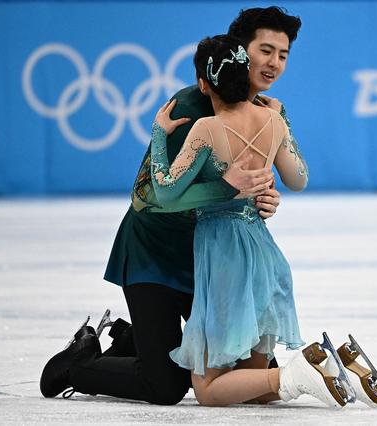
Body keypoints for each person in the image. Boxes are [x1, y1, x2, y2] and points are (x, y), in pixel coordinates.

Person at [40, 6, 304, 405]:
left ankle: (132, 340)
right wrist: (225, 190)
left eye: (283, 55)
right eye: (265, 51)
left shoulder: (267, 112)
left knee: (248, 378)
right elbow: (146, 198)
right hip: (156, 255)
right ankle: (78, 365)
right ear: (238, 50)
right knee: (166, 386)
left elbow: (283, 177)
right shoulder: (189, 109)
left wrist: (263, 198)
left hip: (211, 260)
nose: (274, 64)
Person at [148, 34, 355, 408]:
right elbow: (299, 179)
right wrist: (283, 119)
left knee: (208, 390)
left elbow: (165, 192)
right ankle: (333, 372)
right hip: (264, 255)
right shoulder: (272, 121)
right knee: (253, 390)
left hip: (224, 256)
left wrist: (159, 133)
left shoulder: (206, 129)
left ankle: (296, 373)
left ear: (203, 84)